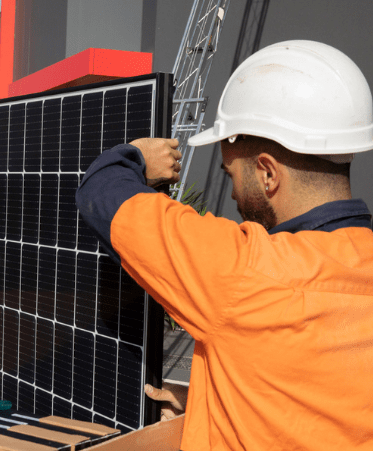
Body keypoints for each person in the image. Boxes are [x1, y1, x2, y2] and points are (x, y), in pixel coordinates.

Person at [76, 40, 373, 449]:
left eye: (231, 173)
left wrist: (136, 158)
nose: (232, 195)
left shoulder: (247, 273)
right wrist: (214, 397)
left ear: (267, 173)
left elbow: (102, 193)